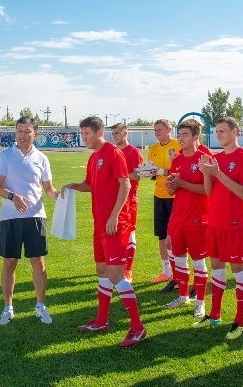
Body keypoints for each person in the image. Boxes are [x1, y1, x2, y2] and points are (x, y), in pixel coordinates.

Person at [62, 116, 146, 347]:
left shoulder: (113, 152)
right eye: (82, 134)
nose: (84, 138)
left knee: (116, 274)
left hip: (114, 224)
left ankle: (138, 327)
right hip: (100, 223)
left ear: (100, 132)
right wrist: (73, 186)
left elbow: (125, 184)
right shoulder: (93, 157)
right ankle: (101, 321)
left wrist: (114, 216)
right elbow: (89, 184)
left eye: (87, 133)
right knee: (102, 271)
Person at [192, 117, 243, 340]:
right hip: (215, 221)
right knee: (217, 267)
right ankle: (215, 315)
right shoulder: (216, 158)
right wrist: (206, 173)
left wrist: (218, 172)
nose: (218, 135)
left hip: (235, 223)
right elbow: (209, 192)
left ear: (235, 132)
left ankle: (239, 321)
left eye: (222, 131)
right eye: (216, 131)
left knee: (238, 270)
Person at [0, 116, 59, 325]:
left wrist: (58, 195)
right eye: (19, 131)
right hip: (10, 217)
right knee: (9, 263)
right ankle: (8, 308)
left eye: (27, 131)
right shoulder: (5, 155)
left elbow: (48, 188)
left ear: (35, 134)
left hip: (36, 217)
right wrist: (13, 196)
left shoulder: (42, 158)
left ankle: (40, 306)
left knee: (38, 262)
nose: (22, 135)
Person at [164, 119, 210, 318]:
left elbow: (208, 190)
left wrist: (181, 183)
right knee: (179, 259)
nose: (180, 138)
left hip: (198, 218)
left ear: (195, 137)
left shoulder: (205, 159)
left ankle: (200, 302)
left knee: (198, 261)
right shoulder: (178, 159)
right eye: (179, 134)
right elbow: (173, 191)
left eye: (185, 135)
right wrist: (171, 185)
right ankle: (183, 296)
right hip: (178, 217)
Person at [147, 119, 182, 291]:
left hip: (175, 196)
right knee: (161, 236)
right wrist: (148, 172)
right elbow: (153, 172)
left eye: (160, 129)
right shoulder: (153, 149)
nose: (157, 132)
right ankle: (166, 272)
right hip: (159, 195)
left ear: (169, 130)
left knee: (175, 237)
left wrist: (163, 171)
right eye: (155, 130)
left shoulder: (178, 145)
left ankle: (180, 273)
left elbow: (181, 170)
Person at [111, 123, 144, 282]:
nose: (114, 136)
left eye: (117, 133)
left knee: (130, 233)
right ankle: (116, 265)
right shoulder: (113, 151)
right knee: (114, 233)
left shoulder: (134, 152)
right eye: (113, 134)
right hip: (113, 198)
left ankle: (128, 270)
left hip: (130, 199)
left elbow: (137, 175)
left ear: (125, 133)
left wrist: (118, 174)